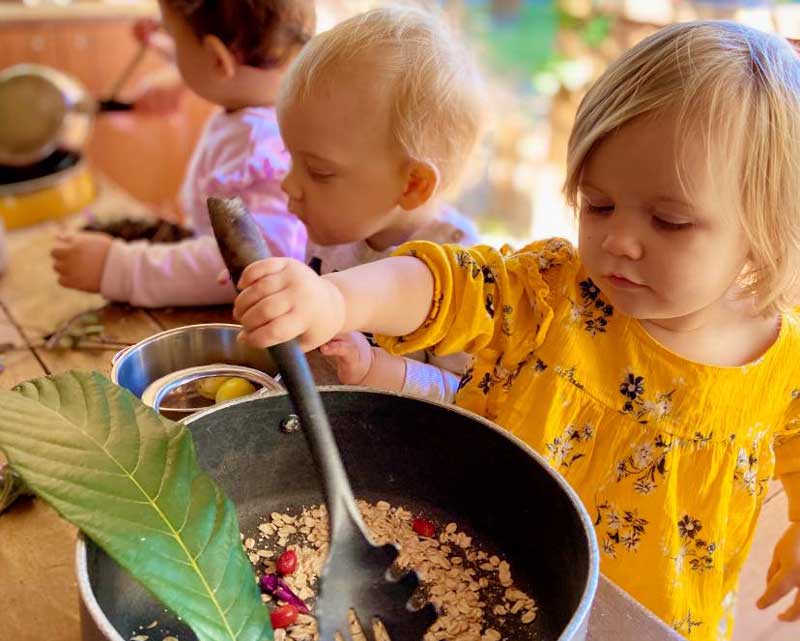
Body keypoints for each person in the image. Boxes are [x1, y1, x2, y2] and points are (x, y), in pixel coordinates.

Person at [231, 21, 800, 640]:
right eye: (599, 204)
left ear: (765, 228)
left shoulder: (783, 359)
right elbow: (446, 284)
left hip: (658, 619)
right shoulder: (558, 293)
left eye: (669, 221)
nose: (617, 240)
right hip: (496, 583)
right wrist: (337, 300)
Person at [52, 0, 314, 307]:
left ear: (218, 60)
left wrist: (121, 268)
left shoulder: (260, 146)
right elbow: (218, 64)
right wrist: (167, 43)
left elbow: (255, 264)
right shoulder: (255, 107)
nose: (173, 60)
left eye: (176, 44)